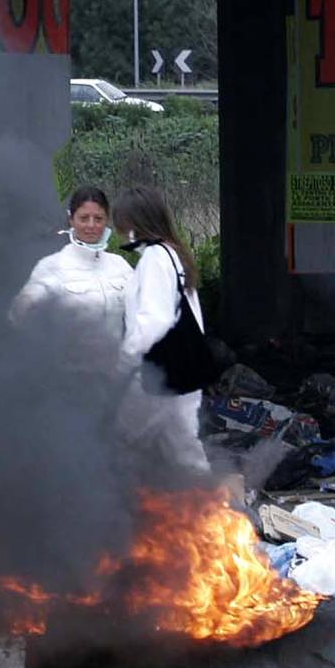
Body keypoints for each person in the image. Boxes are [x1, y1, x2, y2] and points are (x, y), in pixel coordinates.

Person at [111, 185, 210, 473]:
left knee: (145, 446)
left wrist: (122, 362)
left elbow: (153, 320)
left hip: (162, 375)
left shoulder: (155, 259)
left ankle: (204, 507)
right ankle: (204, 507)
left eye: (120, 224)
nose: (119, 232)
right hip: (180, 371)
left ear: (133, 223)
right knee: (181, 447)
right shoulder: (173, 254)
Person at [11, 185, 132, 371]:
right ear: (71, 220)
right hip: (70, 379)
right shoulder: (52, 266)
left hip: (116, 376)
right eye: (84, 218)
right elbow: (19, 315)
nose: (91, 225)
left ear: (106, 220)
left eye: (98, 219)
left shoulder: (120, 265)